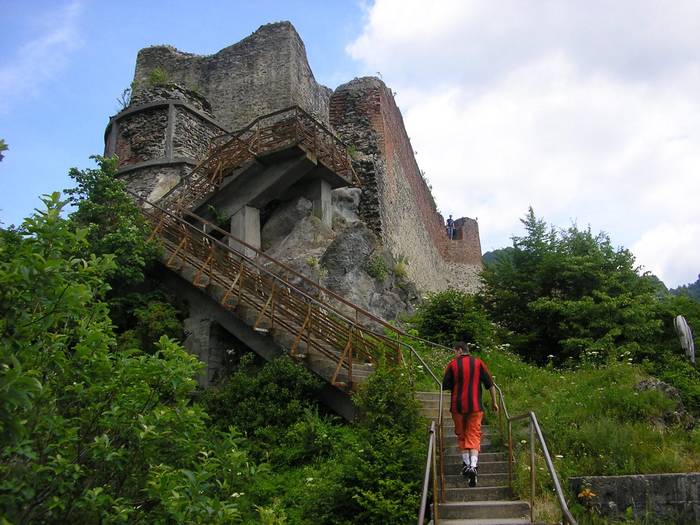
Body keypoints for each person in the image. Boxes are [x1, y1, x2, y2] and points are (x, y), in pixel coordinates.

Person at [442, 341, 498, 487]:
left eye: (454, 351)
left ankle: (467, 465)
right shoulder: (479, 363)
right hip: (475, 407)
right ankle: (473, 466)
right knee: (473, 434)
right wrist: (494, 402)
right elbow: (490, 384)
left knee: (462, 435)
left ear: (459, 350)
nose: (454, 354)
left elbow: (445, 385)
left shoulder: (452, 364)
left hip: (457, 407)